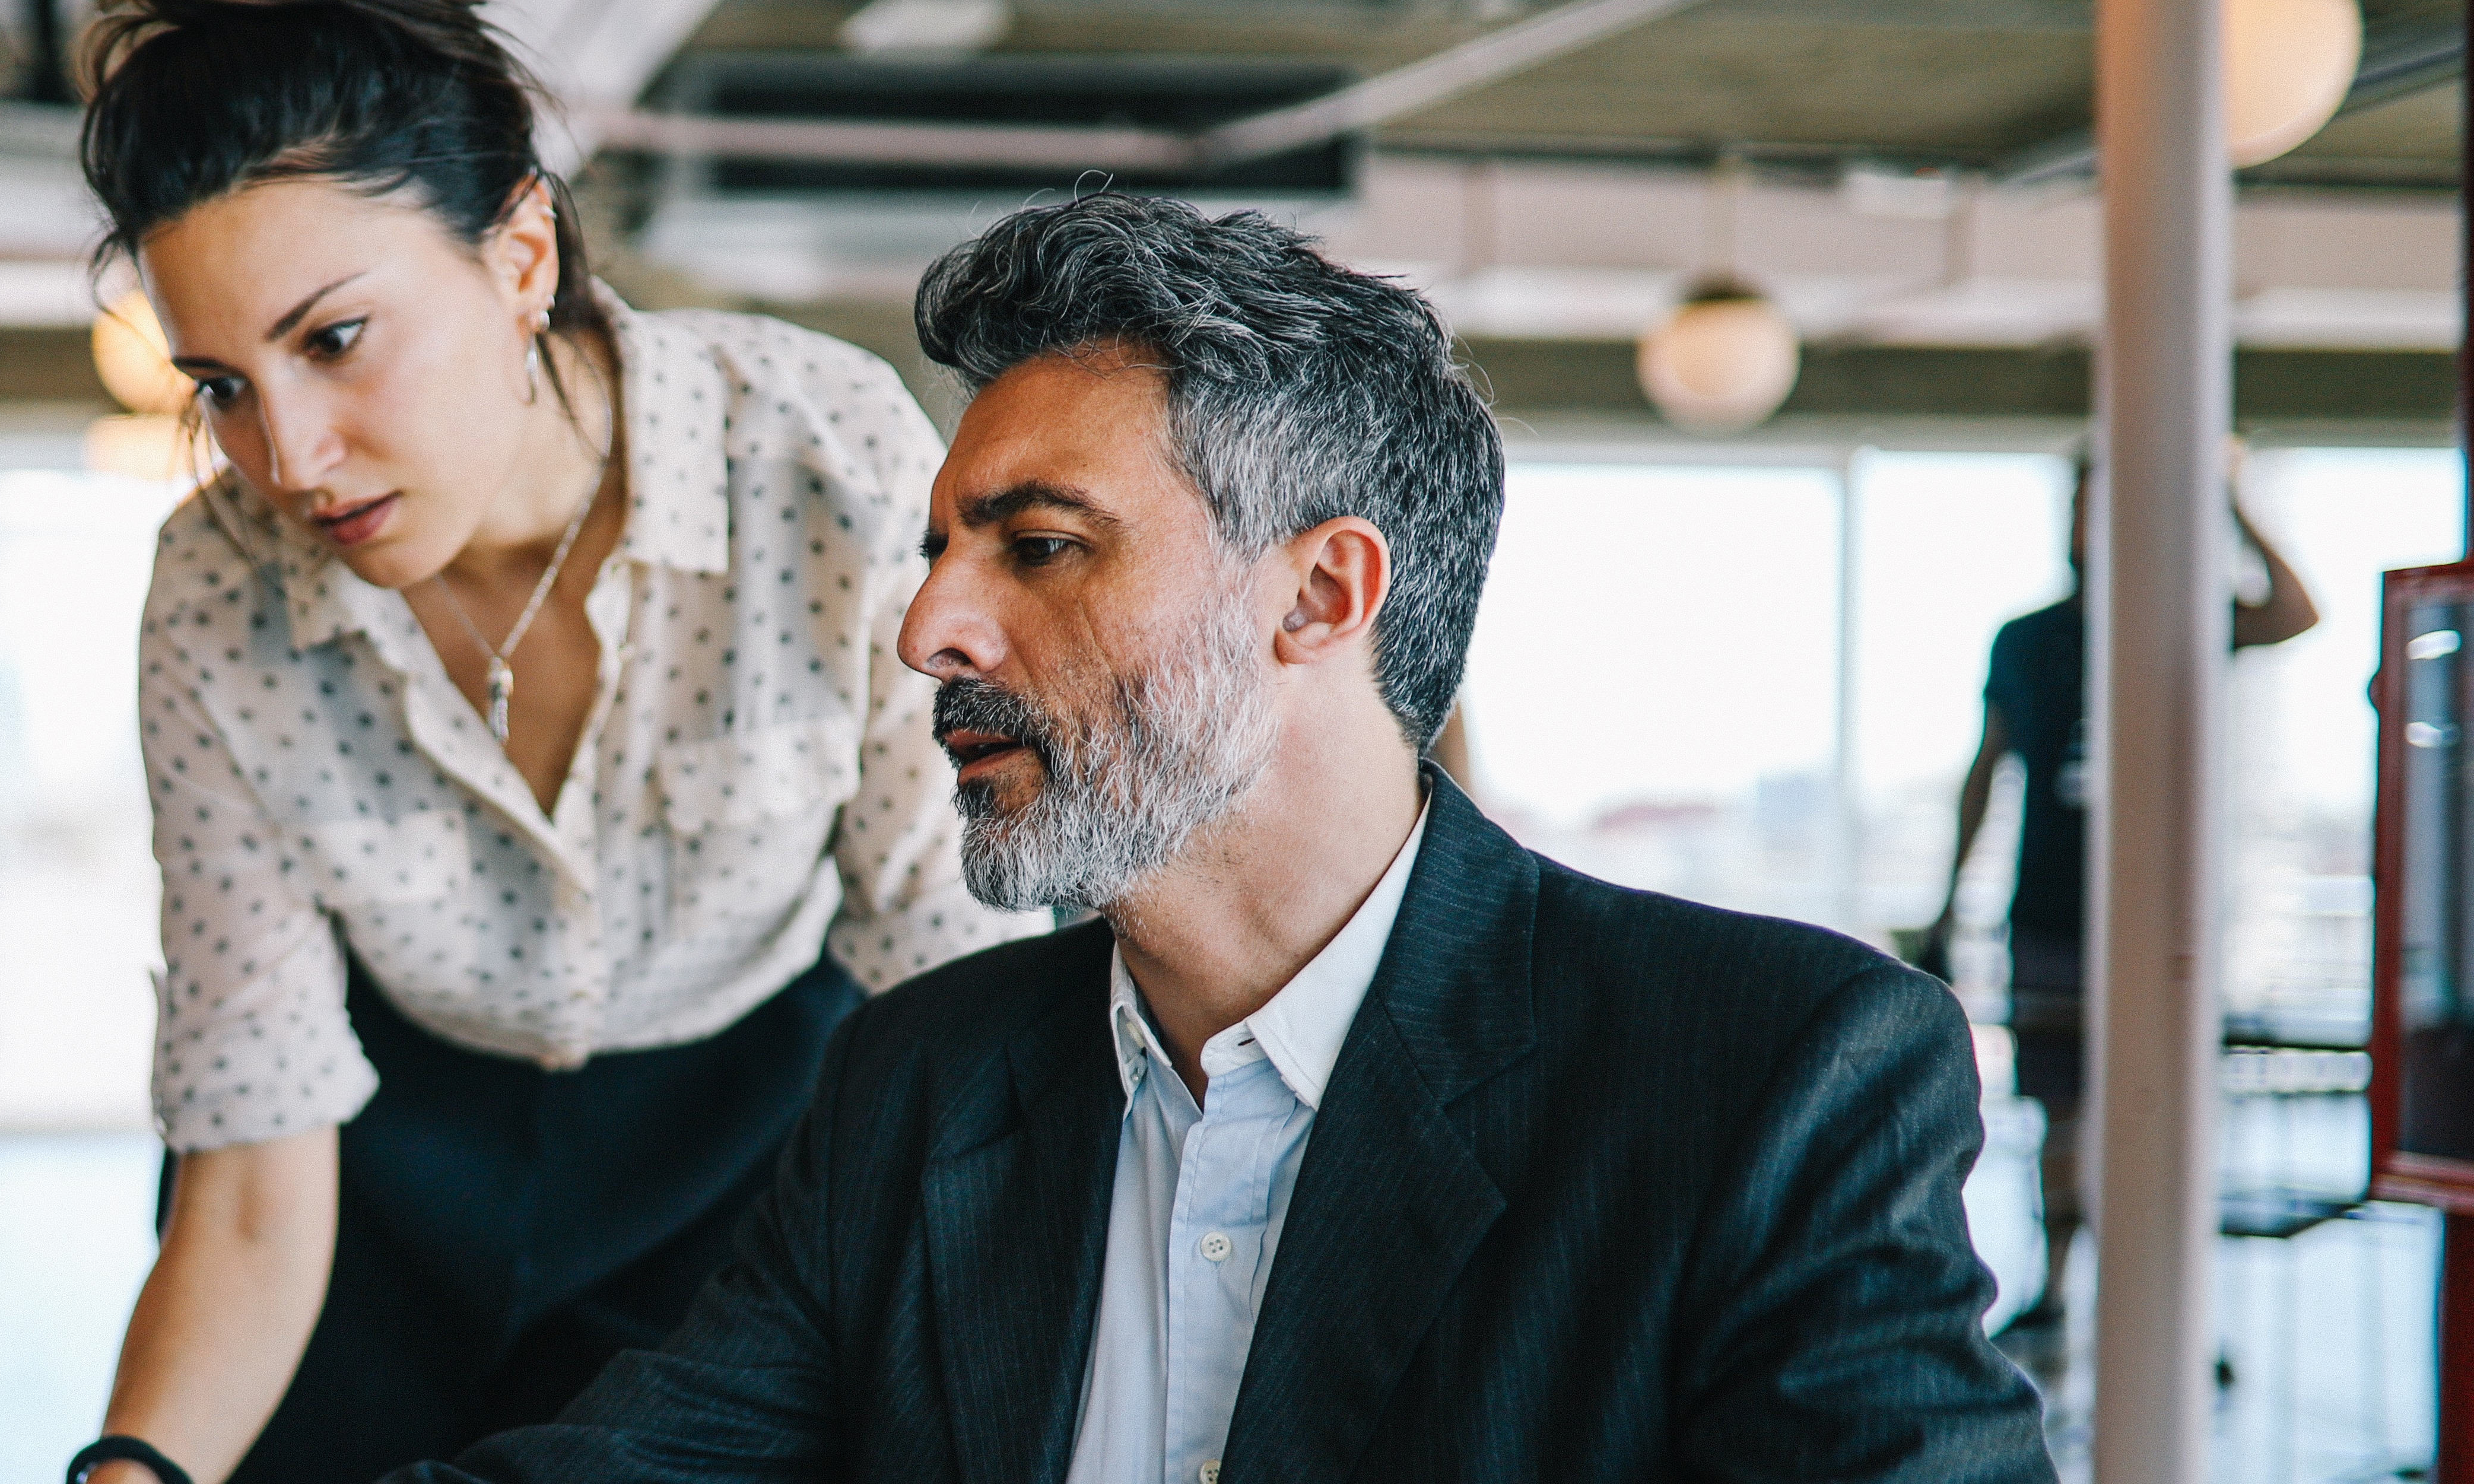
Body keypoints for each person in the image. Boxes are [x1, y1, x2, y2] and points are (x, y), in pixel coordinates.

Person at [390, 193, 2050, 1484]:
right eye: (939, 551)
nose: (926, 630)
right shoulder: (917, 1082)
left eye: (1039, 545)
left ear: (1320, 594)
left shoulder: (1765, 1076)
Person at [63, 0, 1030, 1484]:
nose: (285, 454)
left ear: (518, 258)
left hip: (748, 1165)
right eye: (221, 381)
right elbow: (249, 1178)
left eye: (336, 337)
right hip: (369, 1196)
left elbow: (947, 990)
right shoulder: (219, 591)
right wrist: (125, 1472)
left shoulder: (818, 449)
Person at [1923, 457, 2319, 1333]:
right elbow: (1988, 770)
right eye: (2078, 507)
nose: (2086, 526)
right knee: (2057, 1107)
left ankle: (2163, 1314)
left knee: (2157, 1114)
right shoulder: (2025, 638)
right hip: (2050, 911)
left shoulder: (2180, 619)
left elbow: (2295, 611)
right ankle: (2060, 1283)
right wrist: (1952, 901)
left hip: (2162, 918)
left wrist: (2226, 498)